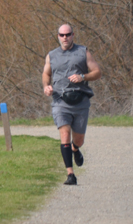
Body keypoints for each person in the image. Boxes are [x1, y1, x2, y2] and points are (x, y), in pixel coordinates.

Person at [43, 23, 102, 185]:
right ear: (58, 36)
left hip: (80, 100)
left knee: (79, 139)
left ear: (73, 35)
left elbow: (97, 72)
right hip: (60, 100)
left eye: (68, 34)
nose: (65, 38)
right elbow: (46, 74)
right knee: (64, 134)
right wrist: (46, 86)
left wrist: (83, 77)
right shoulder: (52, 55)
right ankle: (70, 174)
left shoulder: (83, 52)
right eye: (62, 35)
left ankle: (75, 149)